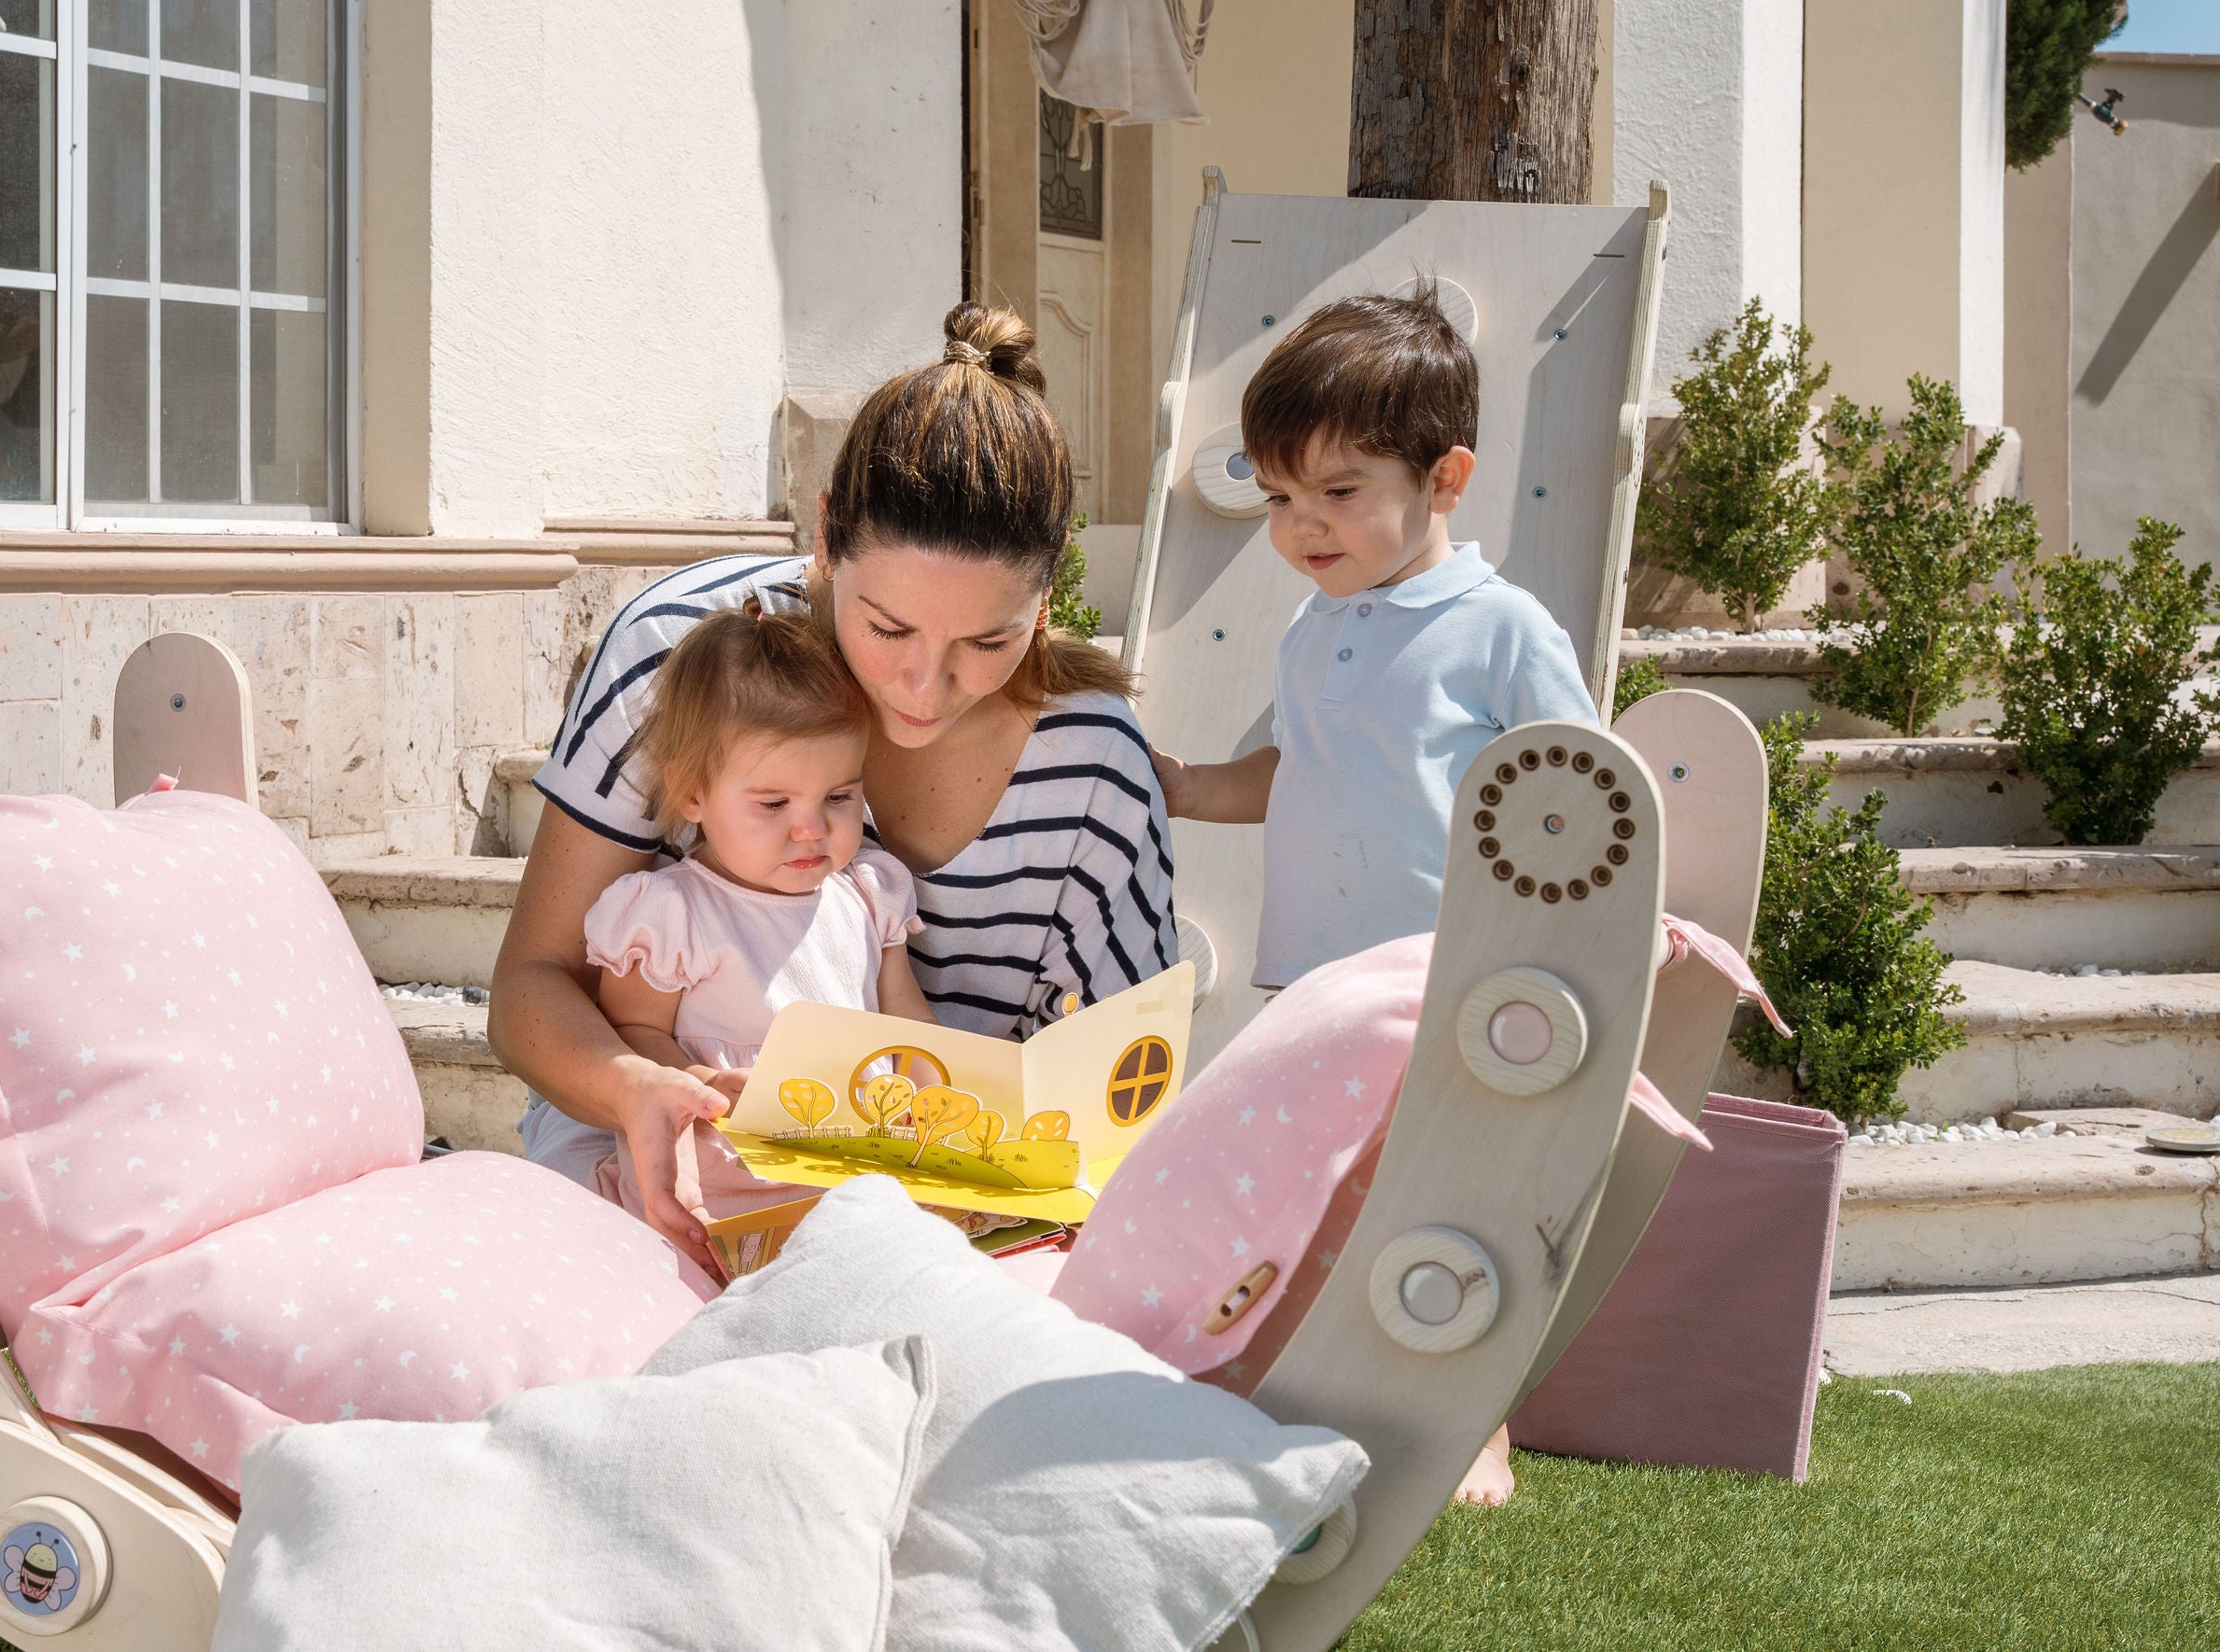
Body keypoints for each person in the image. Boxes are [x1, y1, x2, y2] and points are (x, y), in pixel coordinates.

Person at [492, 304, 1177, 1262]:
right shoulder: (682, 652)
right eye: (887, 628)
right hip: (659, 1158)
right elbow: (530, 989)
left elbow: (1122, 1095)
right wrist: (636, 1088)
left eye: (989, 642)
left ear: (1049, 589)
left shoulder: (1093, 763)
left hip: (938, 1211)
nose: (924, 688)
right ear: (824, 538)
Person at [1150, 285, 1597, 1505]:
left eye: (1338, 493)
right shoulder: (1316, 628)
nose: (1303, 525)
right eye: (1279, 498)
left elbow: (1581, 795)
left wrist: (1575, 950)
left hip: (1448, 986)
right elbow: (1300, 771)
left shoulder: (1500, 630)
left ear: (1445, 479)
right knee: (1324, 1195)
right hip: (1318, 981)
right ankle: (1314, 1386)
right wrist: (1189, 787)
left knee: (1449, 1205)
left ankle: (1469, 1425)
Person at [581, 604, 936, 1244]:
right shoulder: (672, 914)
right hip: (725, 1185)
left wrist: (934, 1094)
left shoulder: (867, 893)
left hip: (853, 1173)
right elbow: (632, 1033)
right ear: (693, 794)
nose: (812, 828)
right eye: (774, 803)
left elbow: (906, 1023)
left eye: (839, 797)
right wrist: (703, 1082)